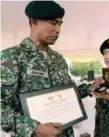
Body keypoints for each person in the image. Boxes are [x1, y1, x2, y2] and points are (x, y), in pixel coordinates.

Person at [1, 1, 89, 137]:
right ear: (35, 22)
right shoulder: (11, 57)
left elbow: (66, 93)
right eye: (53, 23)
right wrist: (34, 128)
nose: (58, 29)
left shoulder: (58, 59)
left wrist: (90, 89)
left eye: (60, 24)